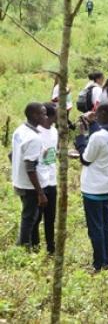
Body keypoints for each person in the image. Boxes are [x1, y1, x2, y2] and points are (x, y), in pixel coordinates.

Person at [78, 103, 108, 271]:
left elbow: (86, 159)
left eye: (98, 113)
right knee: (105, 225)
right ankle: (106, 261)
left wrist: (80, 138)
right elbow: (102, 139)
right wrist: (93, 124)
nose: (96, 115)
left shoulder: (98, 137)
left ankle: (99, 263)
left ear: (105, 113)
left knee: (95, 228)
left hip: (93, 187)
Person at [11, 102, 47, 249]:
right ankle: (23, 246)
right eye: (43, 114)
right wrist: (40, 193)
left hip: (19, 181)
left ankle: (28, 244)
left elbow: (11, 154)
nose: (45, 117)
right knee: (29, 217)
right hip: (29, 186)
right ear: (34, 115)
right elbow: (30, 168)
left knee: (29, 215)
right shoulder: (34, 138)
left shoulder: (20, 130)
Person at [35, 103, 58, 255]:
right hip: (38, 182)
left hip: (52, 180)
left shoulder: (54, 131)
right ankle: (34, 248)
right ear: (49, 116)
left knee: (50, 217)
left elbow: (52, 154)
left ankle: (51, 247)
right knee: (36, 218)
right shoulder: (36, 133)